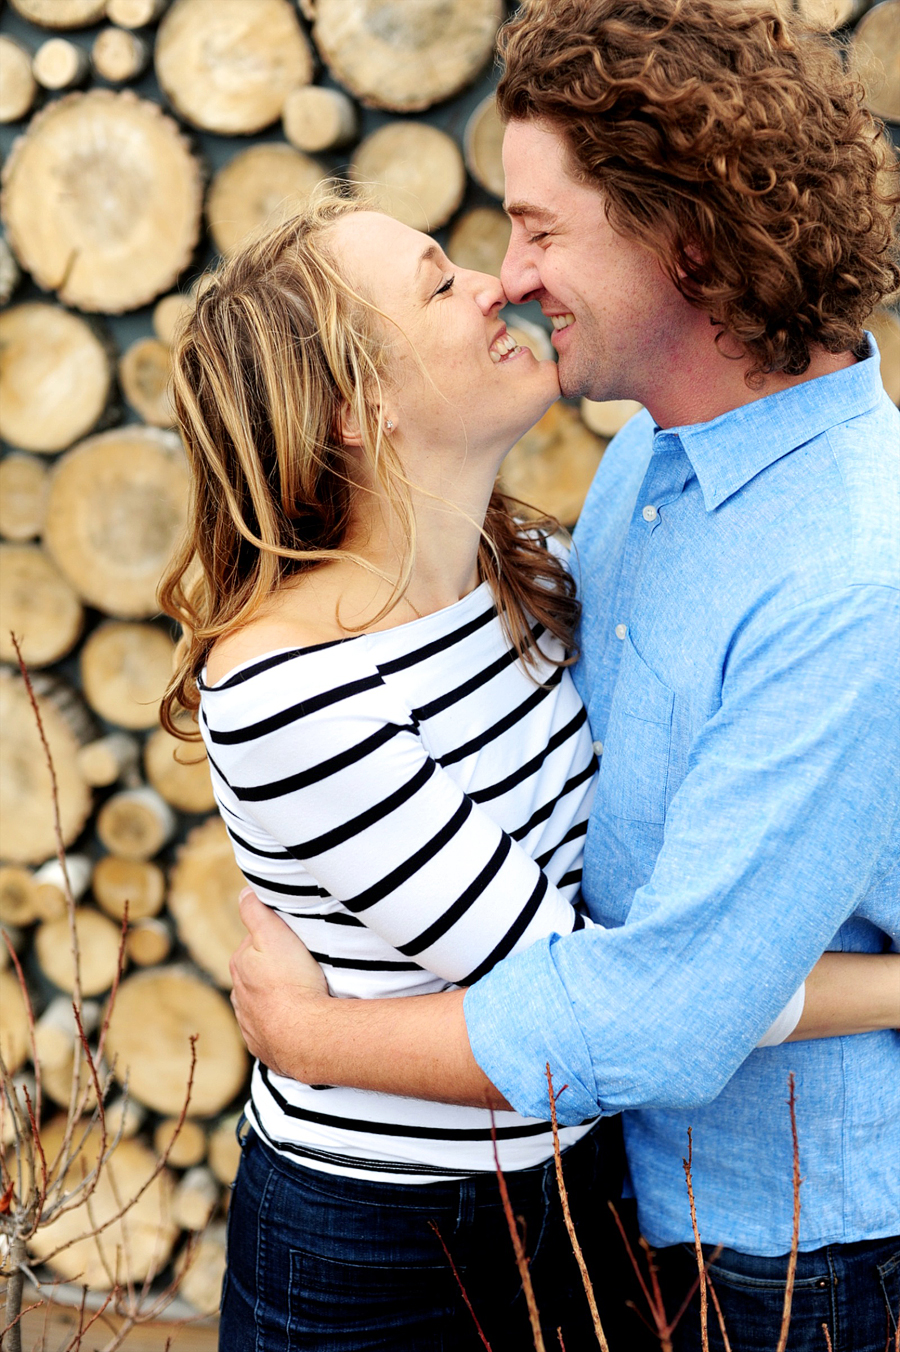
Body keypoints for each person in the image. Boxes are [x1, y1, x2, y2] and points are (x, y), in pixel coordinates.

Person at [225, 2, 900, 1349]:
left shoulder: (847, 574)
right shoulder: (653, 460)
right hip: (598, 1196)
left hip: (787, 1243)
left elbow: (664, 1013)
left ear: (682, 240)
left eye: (539, 229)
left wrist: (309, 1044)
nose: (511, 275)